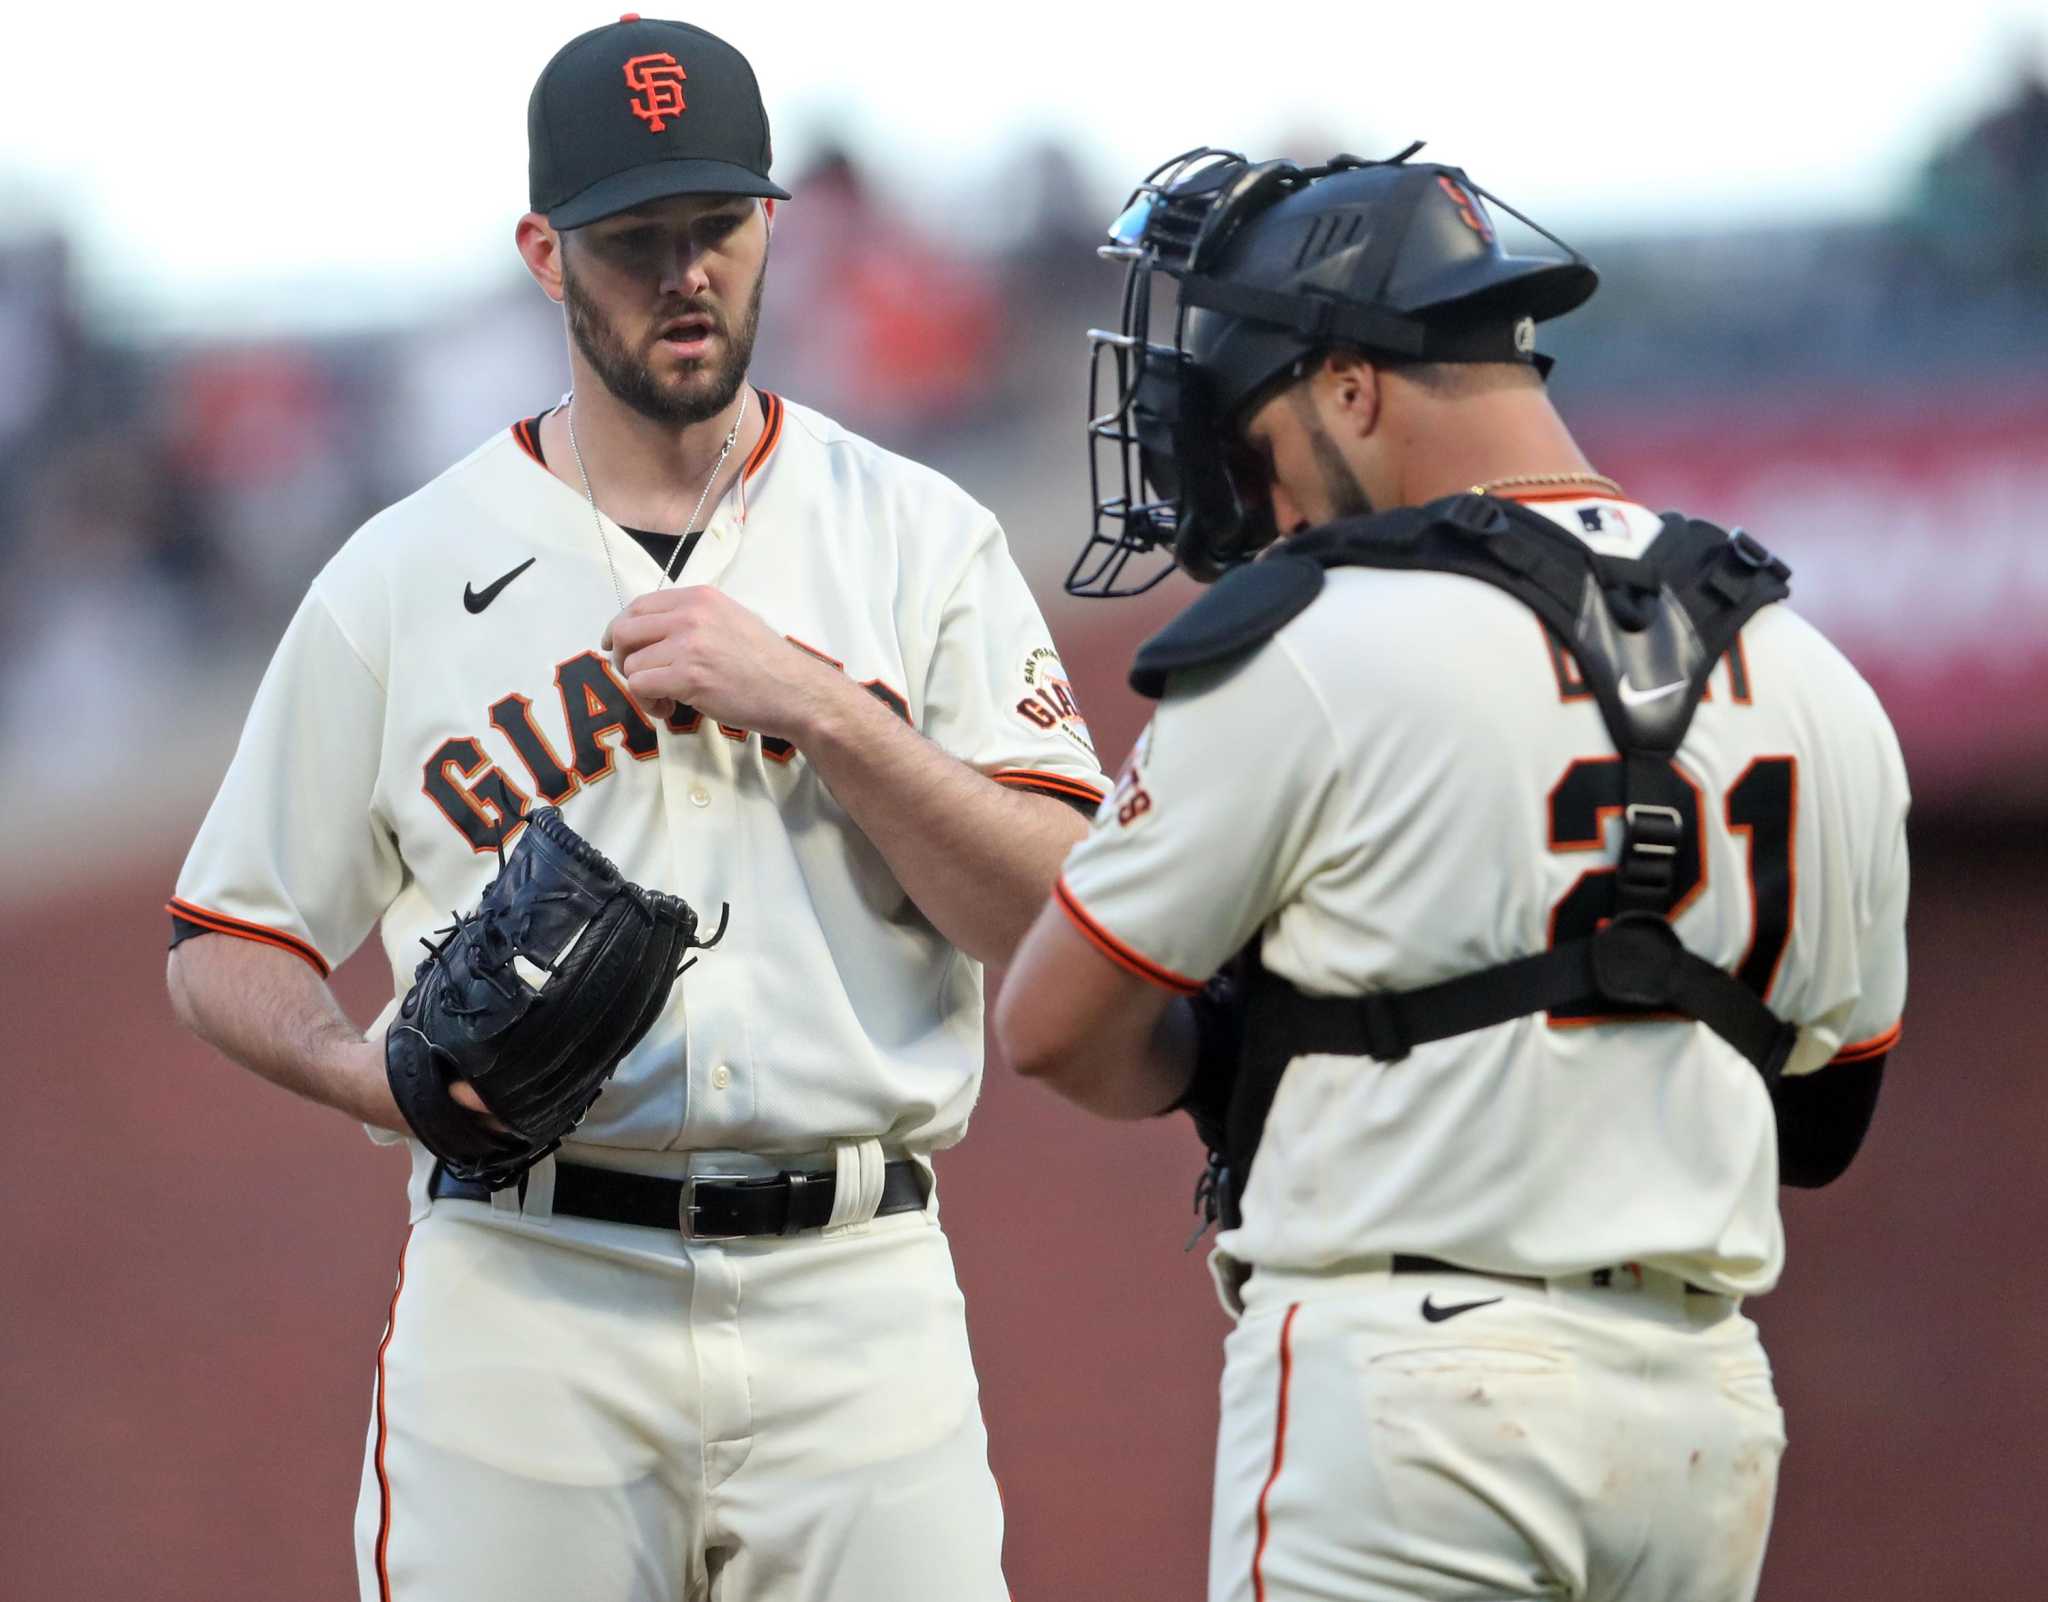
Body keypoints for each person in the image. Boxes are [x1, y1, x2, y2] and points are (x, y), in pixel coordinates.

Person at [164, 17, 1107, 1602]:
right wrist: (359, 1070)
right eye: (635, 239)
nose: (688, 273)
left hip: (856, 1301)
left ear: (771, 226)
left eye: (718, 227)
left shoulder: (920, 540)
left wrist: (817, 705)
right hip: (529, 1295)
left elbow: (1062, 910)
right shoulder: (399, 576)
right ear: (544, 251)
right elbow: (223, 938)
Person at [996, 147, 1908, 1602]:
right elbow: (1829, 1112)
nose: (1269, 502)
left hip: (1413, 1398)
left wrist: (1237, 1049)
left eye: (1259, 448)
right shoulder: (1819, 672)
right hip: (1703, 1417)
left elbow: (1048, 1026)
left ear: (1350, 387)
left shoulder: (1312, 642)